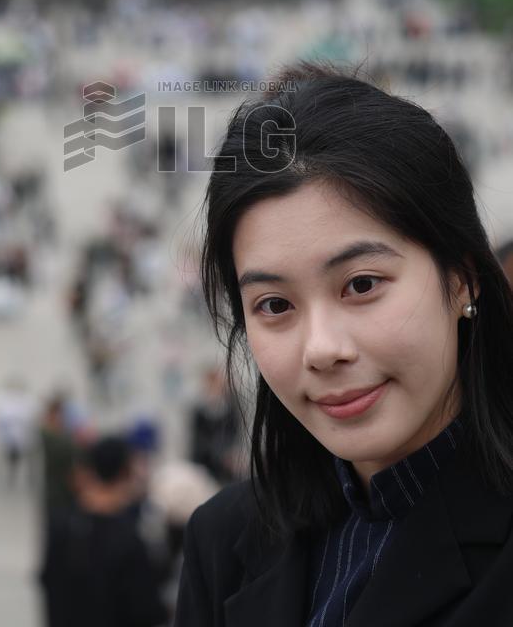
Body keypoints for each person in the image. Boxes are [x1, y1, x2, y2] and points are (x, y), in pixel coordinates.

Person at [175, 61, 513, 627]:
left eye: (361, 285)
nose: (322, 348)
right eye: (274, 305)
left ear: (462, 280)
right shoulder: (223, 542)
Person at [39, 435, 167, 627]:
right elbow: (147, 610)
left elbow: (49, 585)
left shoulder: (61, 525)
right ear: (126, 473)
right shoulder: (132, 536)